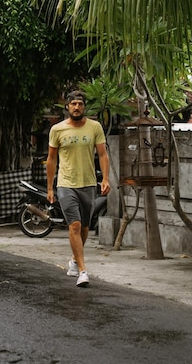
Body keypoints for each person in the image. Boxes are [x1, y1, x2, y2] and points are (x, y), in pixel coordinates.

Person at [46, 90, 110, 288]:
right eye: (73, 104)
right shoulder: (57, 130)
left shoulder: (95, 127)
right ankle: (83, 271)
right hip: (66, 184)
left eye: (80, 104)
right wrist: (50, 187)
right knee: (73, 225)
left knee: (84, 227)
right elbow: (51, 159)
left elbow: (102, 154)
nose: (76, 107)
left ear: (84, 107)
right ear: (67, 107)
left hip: (88, 183)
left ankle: (74, 260)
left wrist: (105, 178)